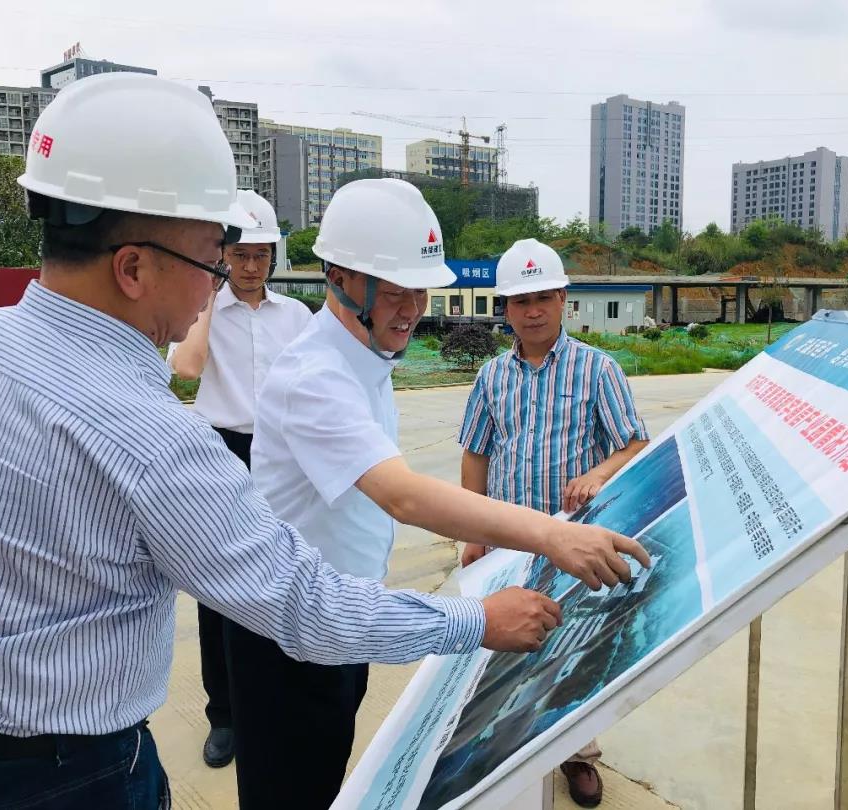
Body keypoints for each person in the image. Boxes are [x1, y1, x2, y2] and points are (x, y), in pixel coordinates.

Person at [0, 75, 567, 810]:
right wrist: (478, 620)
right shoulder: (152, 439)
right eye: (212, 260)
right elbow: (304, 606)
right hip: (72, 777)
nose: (218, 286)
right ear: (133, 267)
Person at [245, 178, 650, 810]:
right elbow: (405, 496)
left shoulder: (367, 356)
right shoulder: (315, 377)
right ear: (340, 278)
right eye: (396, 290)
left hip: (342, 616)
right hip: (293, 634)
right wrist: (551, 534)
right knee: (294, 787)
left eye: (420, 290)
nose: (412, 308)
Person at [458, 238, 651, 808]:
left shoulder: (598, 369)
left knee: (571, 650)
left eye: (543, 298)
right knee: (503, 647)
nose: (533, 311)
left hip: (573, 543)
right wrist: (473, 530)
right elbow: (476, 453)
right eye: (521, 301)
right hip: (507, 542)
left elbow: (634, 443)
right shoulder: (492, 376)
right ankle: (505, 750)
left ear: (564, 299)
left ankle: (577, 753)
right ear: (506, 308)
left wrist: (598, 473)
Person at [166, 188, 311, 768]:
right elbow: (186, 367)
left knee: (285, 572)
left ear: (273, 256)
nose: (250, 267)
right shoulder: (202, 309)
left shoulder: (295, 316)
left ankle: (276, 696)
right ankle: (224, 714)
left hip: (280, 453)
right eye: (240, 254)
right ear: (222, 253)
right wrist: (209, 294)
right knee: (217, 590)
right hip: (221, 452)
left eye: (260, 255)